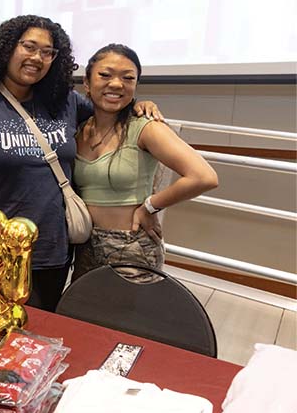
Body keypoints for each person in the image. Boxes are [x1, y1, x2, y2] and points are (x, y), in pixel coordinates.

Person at [0, 15, 162, 311]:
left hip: (51, 249)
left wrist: (141, 104)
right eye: (29, 47)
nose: (37, 58)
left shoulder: (64, 101)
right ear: (6, 48)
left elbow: (110, 105)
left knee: (36, 335)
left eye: (47, 52)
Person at [72, 44, 218, 282]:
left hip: (131, 247)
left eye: (128, 78)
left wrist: (150, 206)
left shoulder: (145, 127)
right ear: (87, 83)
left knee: (128, 319)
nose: (117, 84)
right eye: (105, 75)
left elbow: (204, 176)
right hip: (85, 247)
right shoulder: (79, 129)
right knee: (82, 316)